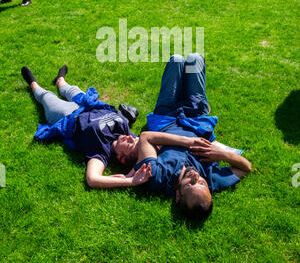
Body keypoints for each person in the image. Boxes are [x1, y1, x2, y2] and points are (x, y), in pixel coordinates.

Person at [88, 54, 251, 221]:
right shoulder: (212, 180)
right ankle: (195, 99)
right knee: (195, 59)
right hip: (197, 119)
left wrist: (188, 141)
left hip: (166, 118)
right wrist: (223, 155)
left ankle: (183, 93)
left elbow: (145, 138)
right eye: (201, 183)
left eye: (190, 184)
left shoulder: (158, 177)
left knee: (177, 60)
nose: (195, 177)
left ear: (178, 196)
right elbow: (246, 168)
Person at [20, 64, 150, 188]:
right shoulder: (126, 133)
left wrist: (130, 180)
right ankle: (60, 79)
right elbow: (155, 143)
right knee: (69, 89)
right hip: (89, 105)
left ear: (122, 158)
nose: (131, 137)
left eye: (131, 144)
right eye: (136, 138)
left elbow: (92, 179)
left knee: (46, 96)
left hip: (68, 115)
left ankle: (32, 83)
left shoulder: (101, 151)